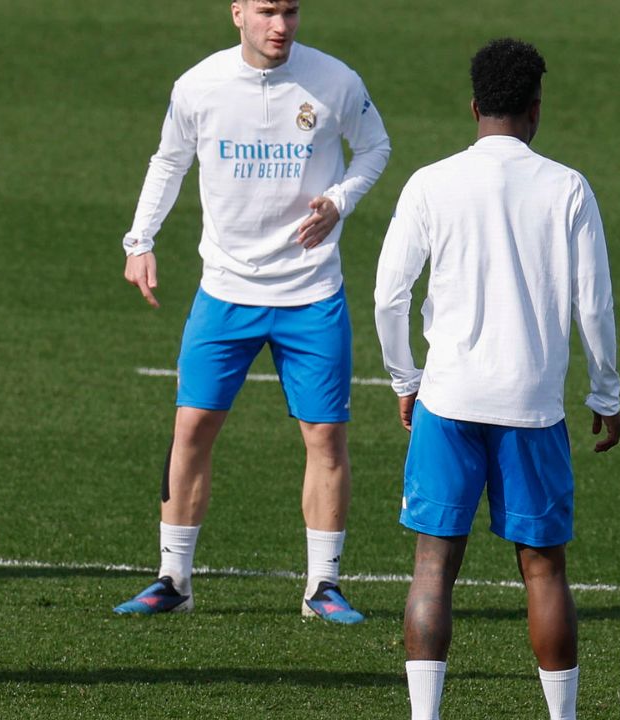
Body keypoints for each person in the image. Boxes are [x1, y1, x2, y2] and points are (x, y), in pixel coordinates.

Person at [113, 0, 391, 624]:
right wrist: (140, 241)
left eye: (291, 12)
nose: (281, 26)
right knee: (193, 429)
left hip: (311, 292)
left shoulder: (336, 81)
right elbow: (168, 160)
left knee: (324, 436)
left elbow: (375, 147)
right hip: (226, 290)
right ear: (236, 12)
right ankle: (173, 580)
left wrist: (340, 200)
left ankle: (323, 587)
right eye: (267, 11)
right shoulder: (199, 86)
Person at [373, 38, 620, 720]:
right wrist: (606, 392)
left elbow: (389, 296)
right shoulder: (567, 187)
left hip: (447, 399)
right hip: (533, 407)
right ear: (536, 109)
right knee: (543, 569)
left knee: (433, 567)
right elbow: (593, 304)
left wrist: (406, 379)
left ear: (475, 105)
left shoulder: (430, 181)